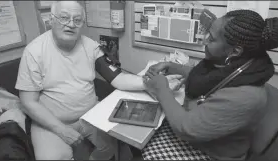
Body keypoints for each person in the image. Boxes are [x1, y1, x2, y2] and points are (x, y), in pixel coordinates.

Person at [15, 1, 181, 160]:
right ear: (52, 20)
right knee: (52, 158)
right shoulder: (34, 52)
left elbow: (117, 78)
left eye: (77, 20)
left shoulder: (90, 46)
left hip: (89, 114)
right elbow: (28, 103)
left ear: (82, 23)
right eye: (64, 18)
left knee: (115, 145)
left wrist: (152, 84)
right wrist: (62, 130)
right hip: (51, 122)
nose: (71, 24)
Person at [143, 10, 278, 160]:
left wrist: (162, 89)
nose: (204, 41)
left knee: (145, 148)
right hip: (202, 138)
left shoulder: (246, 96)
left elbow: (186, 128)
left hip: (211, 153)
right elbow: (215, 78)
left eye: (212, 39)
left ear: (235, 51)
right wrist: (173, 67)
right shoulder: (241, 63)